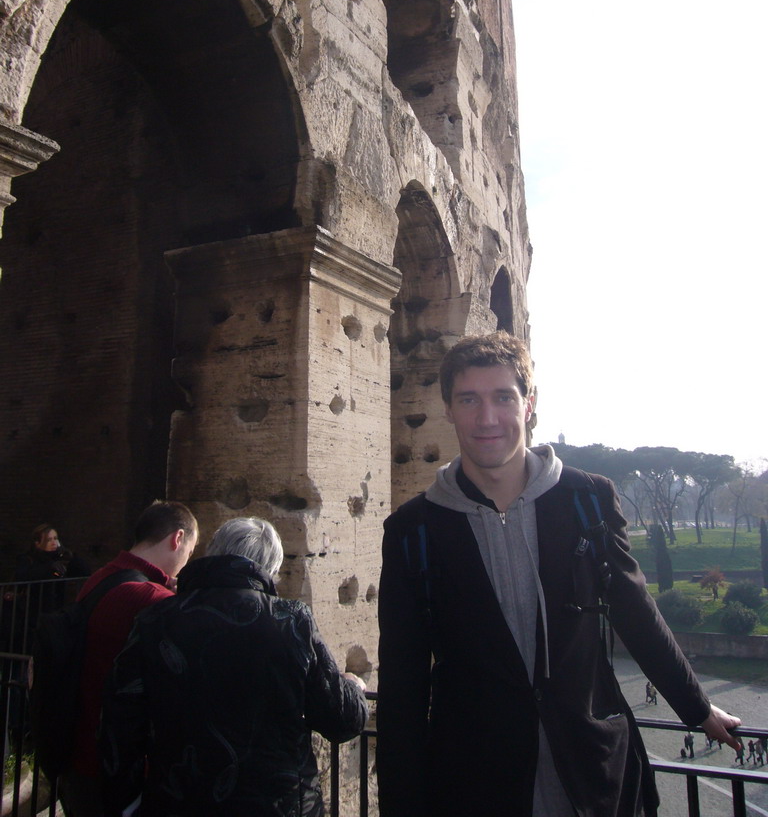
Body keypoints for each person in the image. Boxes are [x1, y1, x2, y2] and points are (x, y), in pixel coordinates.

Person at [376, 331, 742, 817]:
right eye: (469, 399)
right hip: (474, 779)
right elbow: (403, 681)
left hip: (591, 769)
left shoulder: (587, 498)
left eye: (503, 397)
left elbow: (636, 611)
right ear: (448, 408)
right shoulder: (411, 529)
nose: (487, 419)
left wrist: (696, 707)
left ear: (529, 403)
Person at [101, 516, 368, 817]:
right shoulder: (291, 620)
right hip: (276, 804)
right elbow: (341, 719)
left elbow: (120, 718)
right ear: (272, 569)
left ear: (213, 552)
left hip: (180, 800)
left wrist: (128, 803)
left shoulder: (156, 619)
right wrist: (354, 688)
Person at [58, 500, 198, 817]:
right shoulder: (153, 599)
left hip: (79, 753)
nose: (187, 560)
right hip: (123, 770)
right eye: (190, 551)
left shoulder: (99, 579)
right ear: (177, 539)